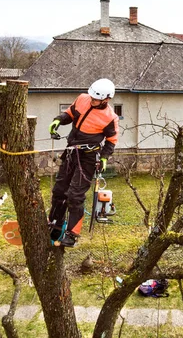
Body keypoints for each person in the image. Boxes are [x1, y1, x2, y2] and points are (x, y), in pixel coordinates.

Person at [47, 78, 119, 247]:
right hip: (72, 151)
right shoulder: (82, 99)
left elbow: (111, 140)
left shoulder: (110, 117)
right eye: (91, 97)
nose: (92, 101)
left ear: (106, 99)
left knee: (75, 195)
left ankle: (72, 234)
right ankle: (54, 223)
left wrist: (104, 157)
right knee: (59, 190)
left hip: (88, 157)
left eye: (96, 99)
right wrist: (59, 120)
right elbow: (70, 114)